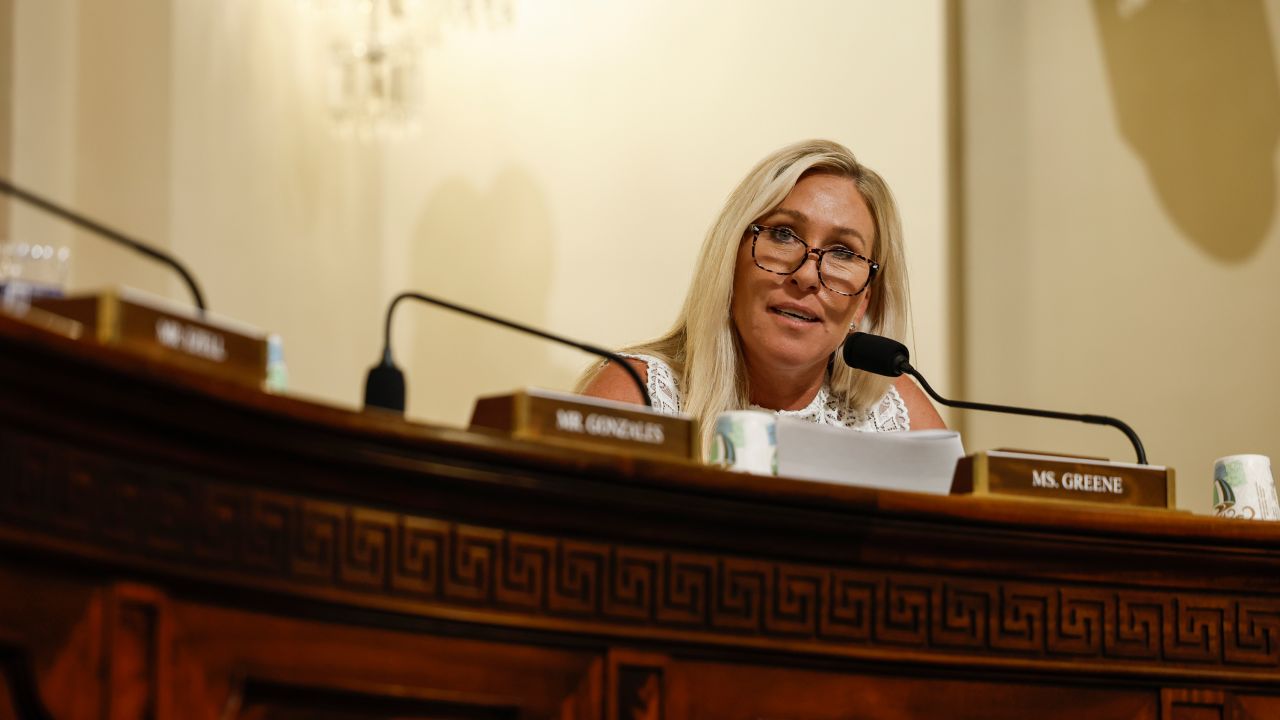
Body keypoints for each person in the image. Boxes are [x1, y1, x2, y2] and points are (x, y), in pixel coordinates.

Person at [579, 139, 944, 448]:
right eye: (783, 234)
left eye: (844, 253)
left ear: (865, 297)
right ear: (731, 259)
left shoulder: (894, 417)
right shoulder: (637, 399)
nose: (806, 275)